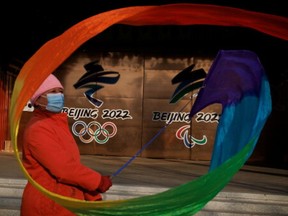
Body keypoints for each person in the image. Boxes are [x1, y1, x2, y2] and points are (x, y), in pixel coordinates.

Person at [20, 74, 112, 216]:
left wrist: (90, 194)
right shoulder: (38, 129)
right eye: (52, 92)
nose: (59, 96)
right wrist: (97, 181)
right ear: (37, 100)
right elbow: (64, 169)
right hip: (48, 204)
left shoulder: (56, 124)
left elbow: (71, 165)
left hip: (63, 201)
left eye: (61, 91)